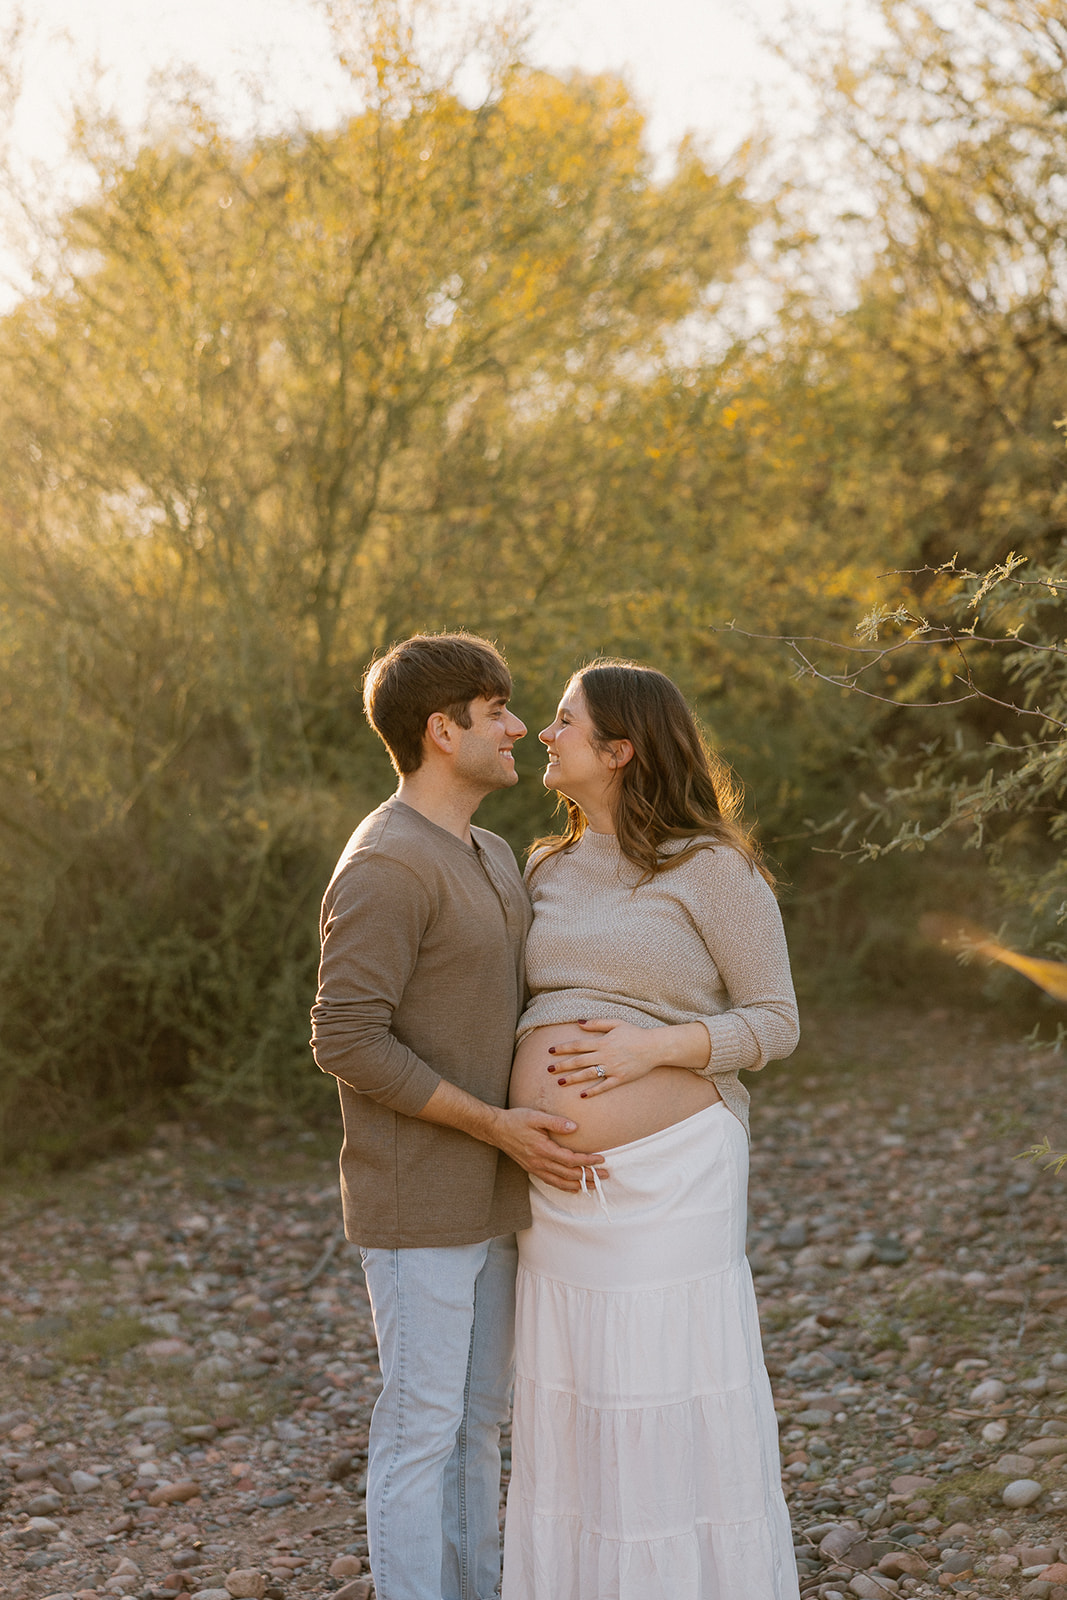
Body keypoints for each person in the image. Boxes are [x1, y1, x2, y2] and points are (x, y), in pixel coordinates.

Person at [310, 632, 606, 1600]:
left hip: (496, 1188)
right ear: (443, 730)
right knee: (419, 1427)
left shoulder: (482, 848)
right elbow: (345, 1038)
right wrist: (492, 1123)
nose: (519, 726)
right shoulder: (385, 863)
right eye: (496, 712)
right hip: (418, 1198)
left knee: (478, 1422)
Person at [502, 659, 801, 1600]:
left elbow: (774, 1022)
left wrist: (652, 1052)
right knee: (580, 1396)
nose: (542, 735)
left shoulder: (711, 868)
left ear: (620, 750)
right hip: (557, 1188)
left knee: (659, 1384)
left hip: (671, 1175)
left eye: (562, 721)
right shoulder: (540, 865)